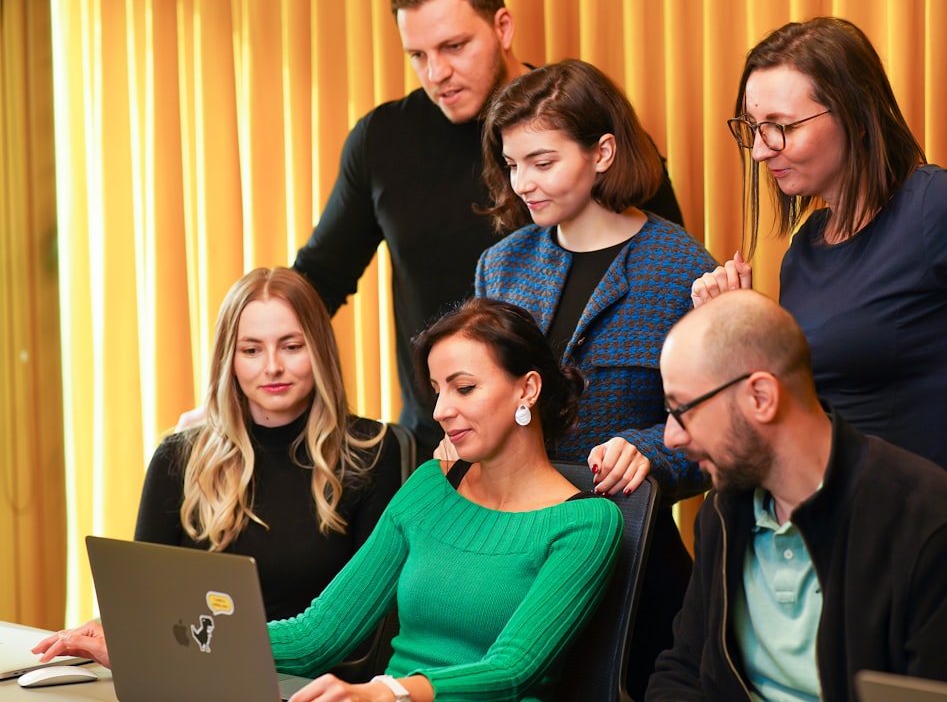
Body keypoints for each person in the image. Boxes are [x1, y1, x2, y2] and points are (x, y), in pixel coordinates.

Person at [40, 297, 623, 702]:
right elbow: (318, 634)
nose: (442, 410)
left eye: (464, 388)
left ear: (527, 388)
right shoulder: (429, 489)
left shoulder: (586, 524)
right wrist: (147, 641)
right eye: (436, 390)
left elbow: (513, 671)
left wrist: (388, 691)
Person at [691, 17, 947, 539]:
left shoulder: (945, 210)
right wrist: (740, 336)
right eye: (754, 128)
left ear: (855, 116)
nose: (760, 151)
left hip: (932, 538)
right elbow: (806, 420)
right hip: (835, 537)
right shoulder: (804, 251)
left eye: (781, 126)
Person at [292, 0, 683, 457]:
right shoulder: (381, 141)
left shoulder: (585, 128)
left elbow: (663, 280)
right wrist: (249, 359)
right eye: (418, 55)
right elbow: (320, 278)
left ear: (503, 27)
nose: (436, 72)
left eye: (454, 46)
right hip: (439, 445)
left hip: (593, 460)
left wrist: (650, 446)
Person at [470, 58, 716, 699]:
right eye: (513, 164)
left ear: (602, 152)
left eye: (542, 162)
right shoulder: (501, 265)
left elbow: (715, 435)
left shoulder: (681, 267)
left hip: (631, 559)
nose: (523, 183)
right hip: (510, 558)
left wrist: (650, 450)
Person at [646, 289, 947, 702]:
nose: (671, 437)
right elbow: (682, 672)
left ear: (761, 397)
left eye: (682, 409)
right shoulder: (723, 511)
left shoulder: (928, 526)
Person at [34, 267, 400, 665]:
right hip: (187, 672)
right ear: (229, 359)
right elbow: (144, 599)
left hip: (311, 683)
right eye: (251, 350)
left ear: (320, 350)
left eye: (291, 346)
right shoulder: (178, 456)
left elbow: (361, 626)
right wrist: (111, 628)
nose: (272, 367)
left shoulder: (372, 452)